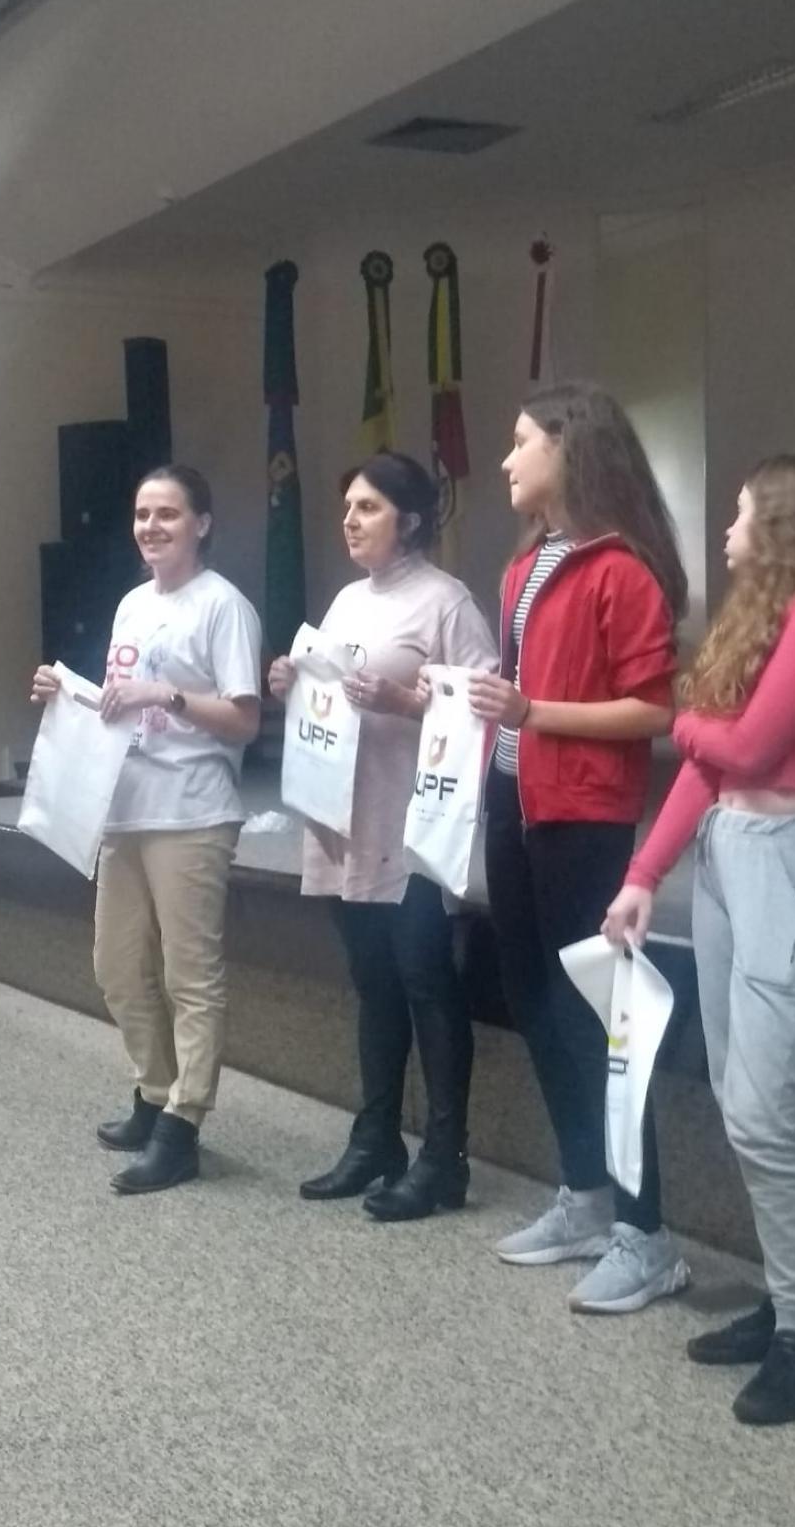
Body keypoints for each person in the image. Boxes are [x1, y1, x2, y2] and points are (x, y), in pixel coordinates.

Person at [603, 455, 795, 1425]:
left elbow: (746, 749)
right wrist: (644, 875)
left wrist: (684, 722)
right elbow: (711, 770)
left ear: (786, 524)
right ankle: (793, 1306)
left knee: (761, 1108)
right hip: (733, 857)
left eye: (742, 513)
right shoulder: (762, 618)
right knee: (742, 1100)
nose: (726, 530)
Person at [471, 381, 691, 1313]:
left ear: (570, 448)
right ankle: (586, 1197)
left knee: (602, 1023)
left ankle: (648, 1237)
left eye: (522, 441)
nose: (507, 459)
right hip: (512, 801)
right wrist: (494, 700)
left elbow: (655, 709)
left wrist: (533, 710)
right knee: (533, 1001)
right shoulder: (525, 567)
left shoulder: (621, 569)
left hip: (584, 815)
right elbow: (527, 691)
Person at [268, 452, 497, 1222]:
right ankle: (376, 1140)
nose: (350, 520)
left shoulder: (446, 603)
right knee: (373, 983)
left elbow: (489, 709)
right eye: (348, 508)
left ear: (412, 519)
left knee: (426, 981)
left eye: (367, 507)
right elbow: (331, 696)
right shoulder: (345, 602)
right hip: (348, 819)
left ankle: (445, 1157)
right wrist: (292, 682)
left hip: (416, 825)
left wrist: (405, 702)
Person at [31, 465, 261, 1195]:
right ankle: (154, 1093)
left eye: (168, 514)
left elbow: (245, 719)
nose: (151, 527)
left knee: (189, 978)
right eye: (142, 515)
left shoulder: (224, 606)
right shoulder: (132, 604)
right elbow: (120, 705)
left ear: (202, 524)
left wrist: (169, 694)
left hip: (192, 810)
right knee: (118, 968)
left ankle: (183, 1125)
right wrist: (66, 693)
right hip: (124, 807)